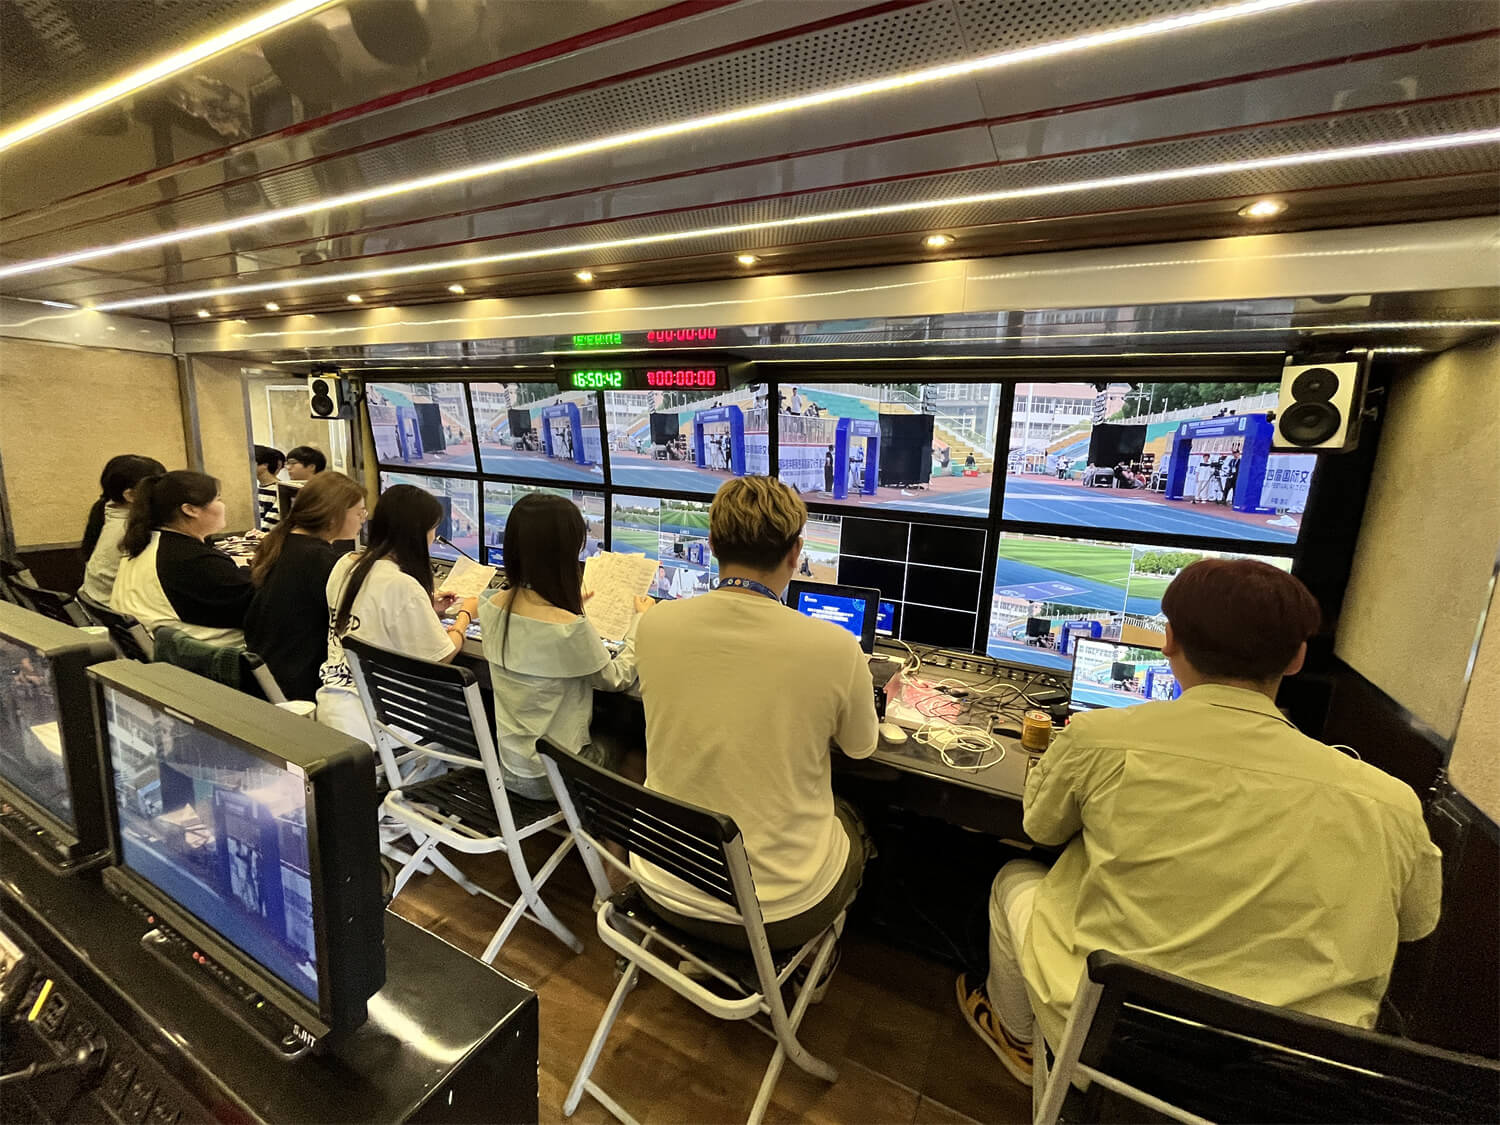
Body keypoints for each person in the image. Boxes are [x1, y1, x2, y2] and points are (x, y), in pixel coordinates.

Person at [957, 559, 1442, 1086]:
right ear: (1298, 658)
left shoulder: (1099, 739)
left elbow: (1042, 829)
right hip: (1294, 1079)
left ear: (1168, 641)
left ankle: (1020, 1041)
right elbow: (1418, 925)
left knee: (1014, 879)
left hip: (1109, 1039)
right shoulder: (1392, 802)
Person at [634, 476, 878, 949]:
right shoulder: (835, 647)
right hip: (776, 913)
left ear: (711, 545)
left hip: (660, 882)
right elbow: (860, 748)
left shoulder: (654, 623)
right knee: (853, 817)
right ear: (795, 553)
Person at [479, 493, 650, 800]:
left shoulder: (489, 604)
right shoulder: (568, 629)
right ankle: (602, 832)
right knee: (638, 749)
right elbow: (616, 679)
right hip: (553, 777)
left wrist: (564, 605)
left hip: (509, 768)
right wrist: (640, 622)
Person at [315, 484, 475, 744]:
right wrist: (465, 616)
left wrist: (425, 607)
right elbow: (441, 657)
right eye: (432, 529)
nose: (434, 537)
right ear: (416, 534)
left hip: (333, 708)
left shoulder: (345, 564)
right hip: (384, 725)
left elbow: (370, 615)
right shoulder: (402, 585)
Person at [243, 473, 367, 702]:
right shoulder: (321, 561)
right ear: (333, 516)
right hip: (302, 684)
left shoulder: (282, 543)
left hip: (271, 673)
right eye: (359, 512)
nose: (363, 518)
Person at [112, 471, 254, 645]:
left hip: (162, 644)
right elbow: (257, 605)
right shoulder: (191, 560)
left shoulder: (149, 541)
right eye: (218, 499)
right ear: (190, 510)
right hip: (203, 653)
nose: (223, 505)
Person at [79, 455, 165, 604]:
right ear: (130, 495)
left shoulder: (106, 512)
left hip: (95, 606)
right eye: (156, 487)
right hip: (116, 611)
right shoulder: (133, 528)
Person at [254, 445, 285, 531]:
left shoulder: (280, 490)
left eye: (251, 462)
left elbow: (269, 525)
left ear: (264, 465)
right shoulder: (258, 489)